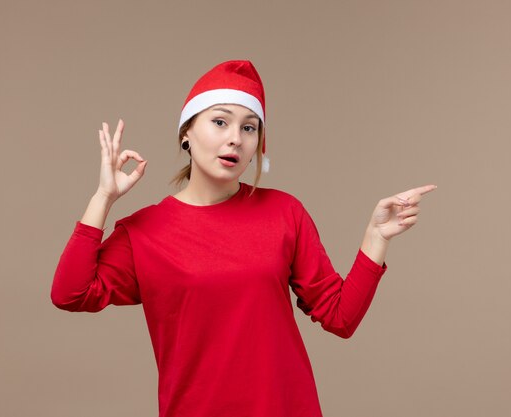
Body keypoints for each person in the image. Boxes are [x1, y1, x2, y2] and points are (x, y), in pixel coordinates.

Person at [51, 60, 437, 417]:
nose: (235, 138)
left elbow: (341, 318)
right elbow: (69, 293)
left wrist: (375, 237)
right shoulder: (144, 231)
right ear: (187, 133)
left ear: (257, 145)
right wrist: (103, 198)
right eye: (220, 122)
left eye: (248, 127)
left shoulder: (285, 213)